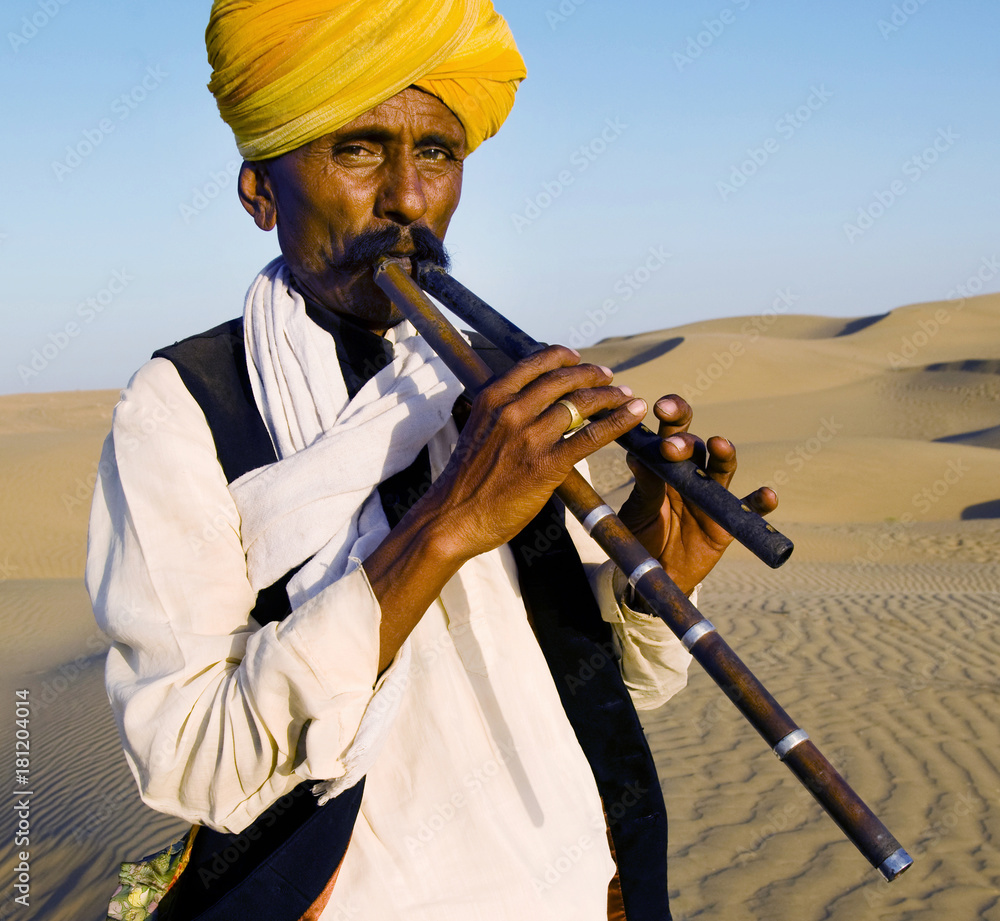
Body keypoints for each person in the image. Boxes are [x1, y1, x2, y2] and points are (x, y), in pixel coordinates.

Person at [87, 2, 775, 919]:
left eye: (438, 154)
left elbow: (585, 690)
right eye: (359, 149)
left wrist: (652, 582)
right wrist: (448, 525)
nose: (409, 199)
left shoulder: (493, 390)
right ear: (260, 192)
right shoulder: (184, 411)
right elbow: (196, 763)